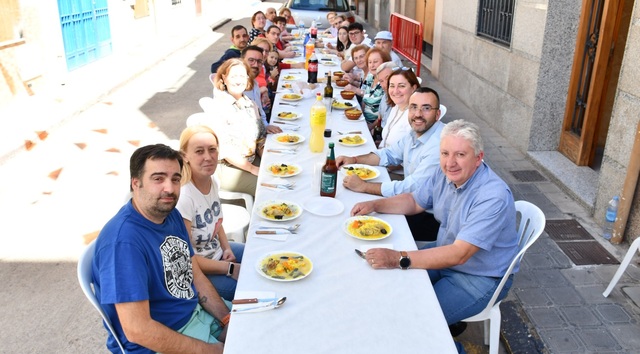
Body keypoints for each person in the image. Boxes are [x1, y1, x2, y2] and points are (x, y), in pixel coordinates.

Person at [350, 119, 519, 342]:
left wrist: (398, 258)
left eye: (460, 154)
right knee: (386, 286)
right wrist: (375, 205)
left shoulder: (492, 196)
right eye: (445, 153)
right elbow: (413, 201)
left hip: (479, 277)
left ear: (478, 158)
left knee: (416, 323)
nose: (450, 163)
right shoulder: (445, 173)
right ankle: (447, 322)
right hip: (446, 252)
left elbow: (460, 254)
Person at [92, 144, 230, 353]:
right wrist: (211, 350)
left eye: (175, 179)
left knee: (259, 326)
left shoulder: (169, 213)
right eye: (158, 178)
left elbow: (194, 274)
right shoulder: (123, 244)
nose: (170, 188)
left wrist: (226, 319)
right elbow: (138, 330)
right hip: (161, 341)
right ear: (135, 183)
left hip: (196, 314)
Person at [176, 125, 244, 302]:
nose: (208, 157)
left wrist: (226, 247)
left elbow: (216, 221)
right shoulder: (184, 198)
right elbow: (187, 260)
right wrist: (228, 268)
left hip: (218, 254)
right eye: (199, 151)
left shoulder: (212, 179)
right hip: (199, 270)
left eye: (212, 149)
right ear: (185, 156)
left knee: (259, 257)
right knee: (250, 287)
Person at [336, 87, 443, 198]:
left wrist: (364, 186)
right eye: (413, 107)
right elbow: (388, 154)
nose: (418, 114)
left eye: (426, 108)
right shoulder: (414, 133)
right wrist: (353, 160)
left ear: (437, 114)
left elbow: (412, 187)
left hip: (424, 210)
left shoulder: (439, 145)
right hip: (411, 200)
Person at [195, 58, 266, 196]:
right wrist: (252, 169)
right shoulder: (218, 108)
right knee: (267, 188)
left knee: (281, 172)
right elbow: (226, 150)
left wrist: (267, 160)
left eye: (242, 76)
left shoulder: (250, 104)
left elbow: (260, 138)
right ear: (224, 78)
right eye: (233, 76)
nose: (238, 80)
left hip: (251, 160)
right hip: (229, 168)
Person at [344, 48, 391, 128]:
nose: (372, 65)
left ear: (384, 62)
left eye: (375, 62)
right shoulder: (370, 76)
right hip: (363, 121)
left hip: (375, 128)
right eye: (370, 62)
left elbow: (384, 114)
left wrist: (370, 127)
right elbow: (364, 101)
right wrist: (360, 117)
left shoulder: (387, 82)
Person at [241, 45, 282, 133]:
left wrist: (266, 126)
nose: (255, 65)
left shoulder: (255, 83)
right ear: (242, 61)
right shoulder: (236, 86)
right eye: (251, 60)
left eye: (259, 61)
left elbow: (261, 113)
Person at [378, 66, 421, 149]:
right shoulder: (396, 107)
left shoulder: (415, 117)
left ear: (413, 88)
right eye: (392, 86)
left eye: (401, 86)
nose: (395, 91)